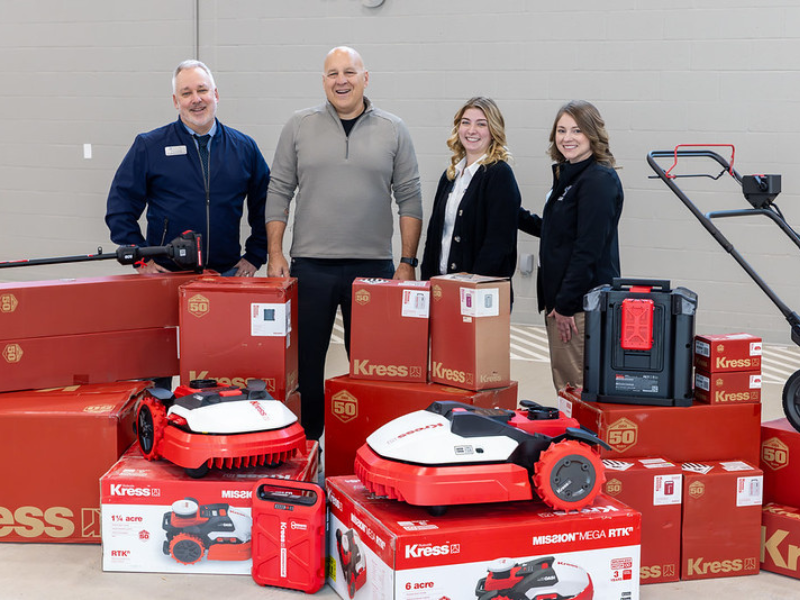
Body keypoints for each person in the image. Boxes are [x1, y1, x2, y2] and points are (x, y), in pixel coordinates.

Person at [265, 46, 423, 442]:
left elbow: (410, 197)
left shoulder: (393, 128)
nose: (341, 80)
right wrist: (275, 252)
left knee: (373, 366)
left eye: (349, 72)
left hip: (373, 269)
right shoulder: (299, 125)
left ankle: (370, 443)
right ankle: (309, 442)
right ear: (323, 81)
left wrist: (407, 261)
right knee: (306, 365)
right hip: (310, 267)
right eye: (333, 73)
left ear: (365, 78)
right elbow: (279, 189)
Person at [105, 59, 270, 276]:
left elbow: (266, 206)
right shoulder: (149, 146)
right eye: (186, 93)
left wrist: (255, 256)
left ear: (216, 95)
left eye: (202, 90)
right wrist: (141, 260)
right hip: (167, 274)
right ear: (176, 101)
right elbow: (120, 207)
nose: (196, 99)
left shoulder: (244, 148)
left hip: (226, 274)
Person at [518, 100, 623, 392]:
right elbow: (558, 232)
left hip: (579, 307)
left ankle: (578, 427)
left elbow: (587, 249)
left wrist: (565, 305)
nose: (567, 137)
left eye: (577, 130)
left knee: (576, 387)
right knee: (566, 384)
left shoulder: (597, 180)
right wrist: (515, 213)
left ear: (592, 134)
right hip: (562, 303)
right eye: (561, 130)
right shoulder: (571, 176)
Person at [420, 97, 521, 288]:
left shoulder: (499, 174)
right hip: (442, 286)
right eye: (466, 122)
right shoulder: (450, 176)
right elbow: (434, 236)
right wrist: (427, 283)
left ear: (493, 131)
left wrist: (472, 285)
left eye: (481, 124)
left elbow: (499, 243)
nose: (471, 130)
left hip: (479, 291)